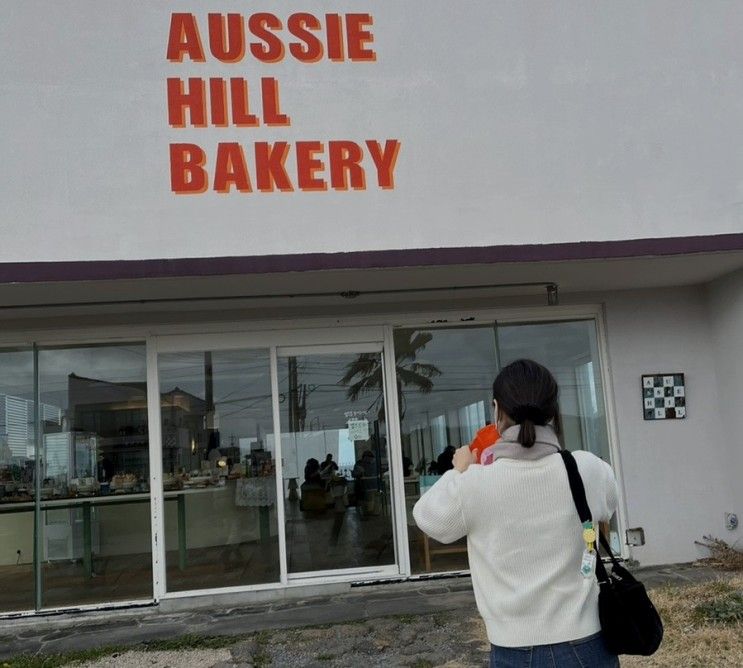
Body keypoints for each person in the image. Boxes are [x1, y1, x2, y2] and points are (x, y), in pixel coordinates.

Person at [413, 359, 619, 667]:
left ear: (496, 411)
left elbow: (428, 517)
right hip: (586, 642)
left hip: (513, 649)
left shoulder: (474, 484)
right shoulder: (585, 468)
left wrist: (459, 471)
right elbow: (610, 502)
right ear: (553, 411)